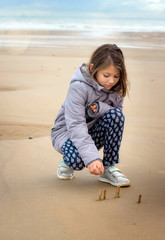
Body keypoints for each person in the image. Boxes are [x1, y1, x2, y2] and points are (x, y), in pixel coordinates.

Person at [51, 44, 130, 187]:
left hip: (91, 130)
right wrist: (92, 158)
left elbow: (114, 119)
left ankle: (108, 168)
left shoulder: (116, 89)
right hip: (67, 133)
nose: (111, 81)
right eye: (106, 75)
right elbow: (75, 125)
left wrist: (100, 108)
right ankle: (67, 161)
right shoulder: (78, 87)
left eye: (116, 76)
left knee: (116, 116)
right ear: (93, 68)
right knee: (77, 161)